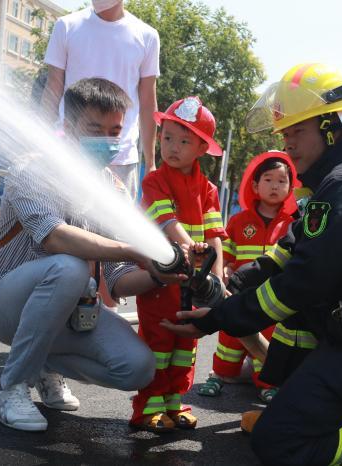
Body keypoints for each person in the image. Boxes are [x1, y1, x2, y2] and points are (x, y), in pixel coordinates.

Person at [162, 63, 342, 464]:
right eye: (284, 133)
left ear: (331, 129)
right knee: (286, 408)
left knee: (278, 443)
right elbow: (287, 254)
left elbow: (303, 283)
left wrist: (218, 317)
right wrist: (227, 284)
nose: (287, 143)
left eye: (297, 131)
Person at [0, 78, 185, 433]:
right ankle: (9, 388)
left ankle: (41, 364)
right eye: (95, 128)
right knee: (69, 268)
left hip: (68, 309)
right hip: (1, 302)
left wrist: (161, 272)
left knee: (138, 367)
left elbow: (117, 277)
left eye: (115, 130)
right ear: (68, 126)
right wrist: (132, 247)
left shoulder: (113, 190)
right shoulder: (34, 168)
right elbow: (53, 237)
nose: (107, 138)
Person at [131, 96, 226, 432]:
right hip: (162, 283)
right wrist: (189, 247)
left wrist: (217, 281)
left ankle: (174, 403)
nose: (172, 147)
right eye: (167, 137)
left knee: (186, 347)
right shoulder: (154, 181)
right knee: (158, 344)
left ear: (202, 147)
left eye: (184, 141)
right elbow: (167, 221)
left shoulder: (209, 190)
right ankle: (146, 409)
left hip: (194, 286)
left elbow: (215, 235)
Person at [199, 152, 298, 403]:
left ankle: (267, 384)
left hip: (273, 299)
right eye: (268, 179)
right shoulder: (239, 221)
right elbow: (228, 253)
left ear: (290, 188)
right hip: (240, 295)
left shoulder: (293, 224)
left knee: (270, 340)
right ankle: (218, 375)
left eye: (281, 181)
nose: (275, 185)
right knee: (230, 338)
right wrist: (225, 270)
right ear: (255, 185)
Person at [41, 0, 160, 199]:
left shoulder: (147, 36)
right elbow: (53, 87)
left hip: (120, 158)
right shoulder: (66, 26)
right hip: (70, 152)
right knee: (64, 224)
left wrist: (151, 162)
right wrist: (41, 140)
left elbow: (148, 102)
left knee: (115, 229)